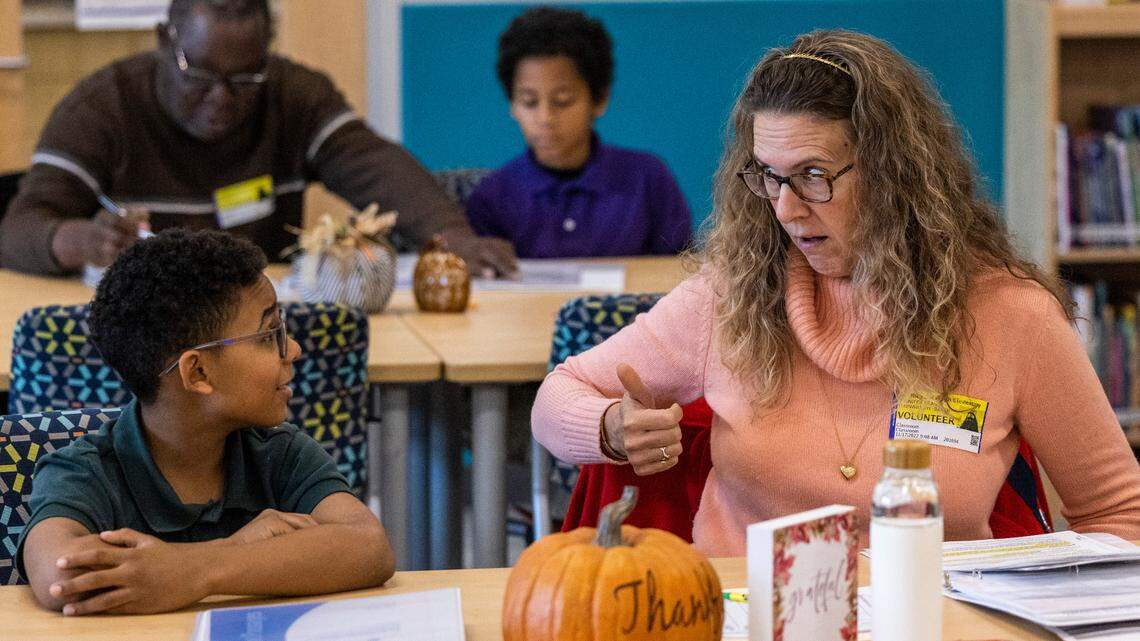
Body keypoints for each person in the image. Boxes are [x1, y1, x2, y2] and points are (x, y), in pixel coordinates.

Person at [531, 30, 1140, 554]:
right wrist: (610, 426)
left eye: (814, 175)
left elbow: (1120, 513)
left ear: (897, 173)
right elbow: (557, 397)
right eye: (770, 177)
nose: (787, 209)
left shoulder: (1010, 317)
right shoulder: (731, 297)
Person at [17, 229, 394, 615]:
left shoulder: (280, 453)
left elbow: (368, 546)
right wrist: (237, 548)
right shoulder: (84, 471)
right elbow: (59, 577)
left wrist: (193, 570)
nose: (293, 350)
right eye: (269, 335)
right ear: (197, 373)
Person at [0, 0, 516, 278]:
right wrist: (77, 241)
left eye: (245, 78)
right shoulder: (102, 107)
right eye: (199, 77)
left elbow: (375, 165)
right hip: (138, 348)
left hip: (253, 334)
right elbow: (18, 228)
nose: (222, 98)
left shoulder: (294, 93)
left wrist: (451, 239)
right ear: (165, 41)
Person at [464, 6, 692, 258]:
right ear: (511, 104)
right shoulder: (491, 198)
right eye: (529, 102)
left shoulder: (648, 179)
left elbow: (682, 274)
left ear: (599, 99)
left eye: (563, 100)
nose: (545, 118)